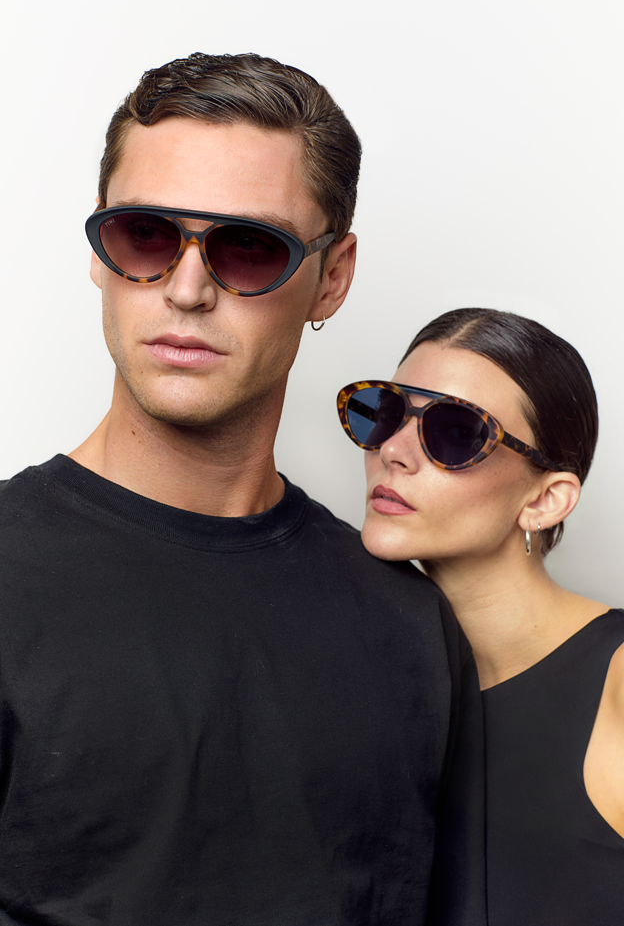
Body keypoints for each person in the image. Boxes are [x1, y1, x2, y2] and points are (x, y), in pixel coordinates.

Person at [0, 55, 483, 925]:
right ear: (101, 253)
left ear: (331, 276)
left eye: (250, 248)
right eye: (146, 235)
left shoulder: (411, 626)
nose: (187, 291)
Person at [337, 306, 624, 925]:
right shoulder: (362, 680)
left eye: (455, 433)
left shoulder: (618, 682)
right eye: (385, 413)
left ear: (545, 500)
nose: (393, 451)